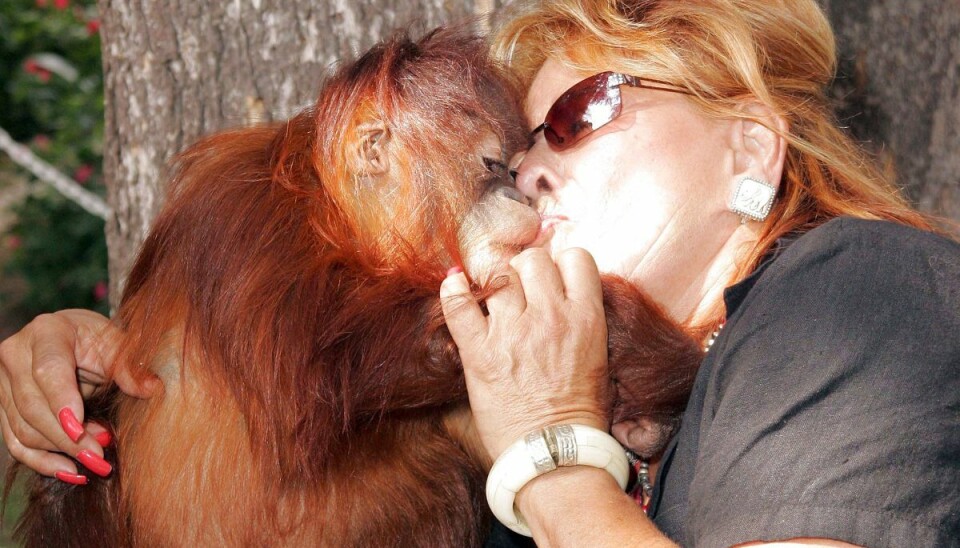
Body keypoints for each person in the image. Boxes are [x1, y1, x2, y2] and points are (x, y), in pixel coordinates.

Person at [1, 0, 958, 546]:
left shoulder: (858, 294)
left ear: (750, 150)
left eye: (581, 112)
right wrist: (96, 368)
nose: (532, 169)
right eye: (523, 142)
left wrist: (553, 463)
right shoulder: (538, 373)